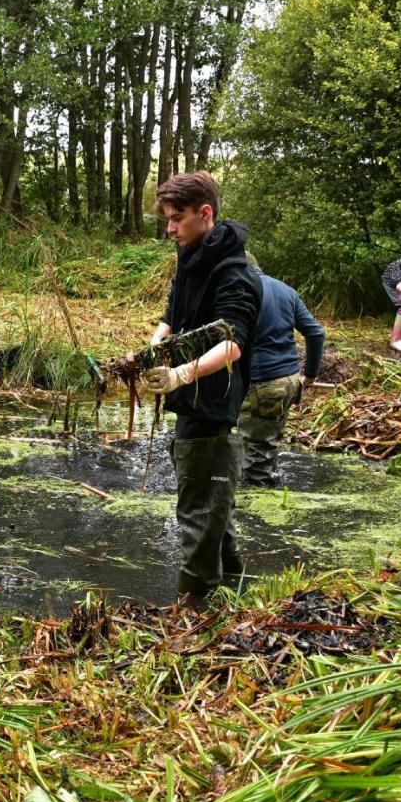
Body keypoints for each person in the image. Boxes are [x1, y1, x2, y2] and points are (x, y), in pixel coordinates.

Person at [139, 171, 262, 602]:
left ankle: (196, 610)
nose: (170, 229)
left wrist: (180, 374)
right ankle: (238, 598)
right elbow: (172, 315)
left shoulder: (235, 274)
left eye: (177, 218)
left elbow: (233, 344)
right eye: (168, 220)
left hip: (213, 401)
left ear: (204, 213)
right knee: (213, 510)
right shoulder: (190, 258)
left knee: (198, 512)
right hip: (189, 402)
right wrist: (154, 347)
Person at [239, 272, 325, 487]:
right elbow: (316, 333)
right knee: (267, 443)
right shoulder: (286, 290)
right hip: (288, 380)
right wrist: (310, 373)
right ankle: (269, 489)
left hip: (263, 382)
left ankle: (256, 502)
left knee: (257, 458)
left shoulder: (239, 290)